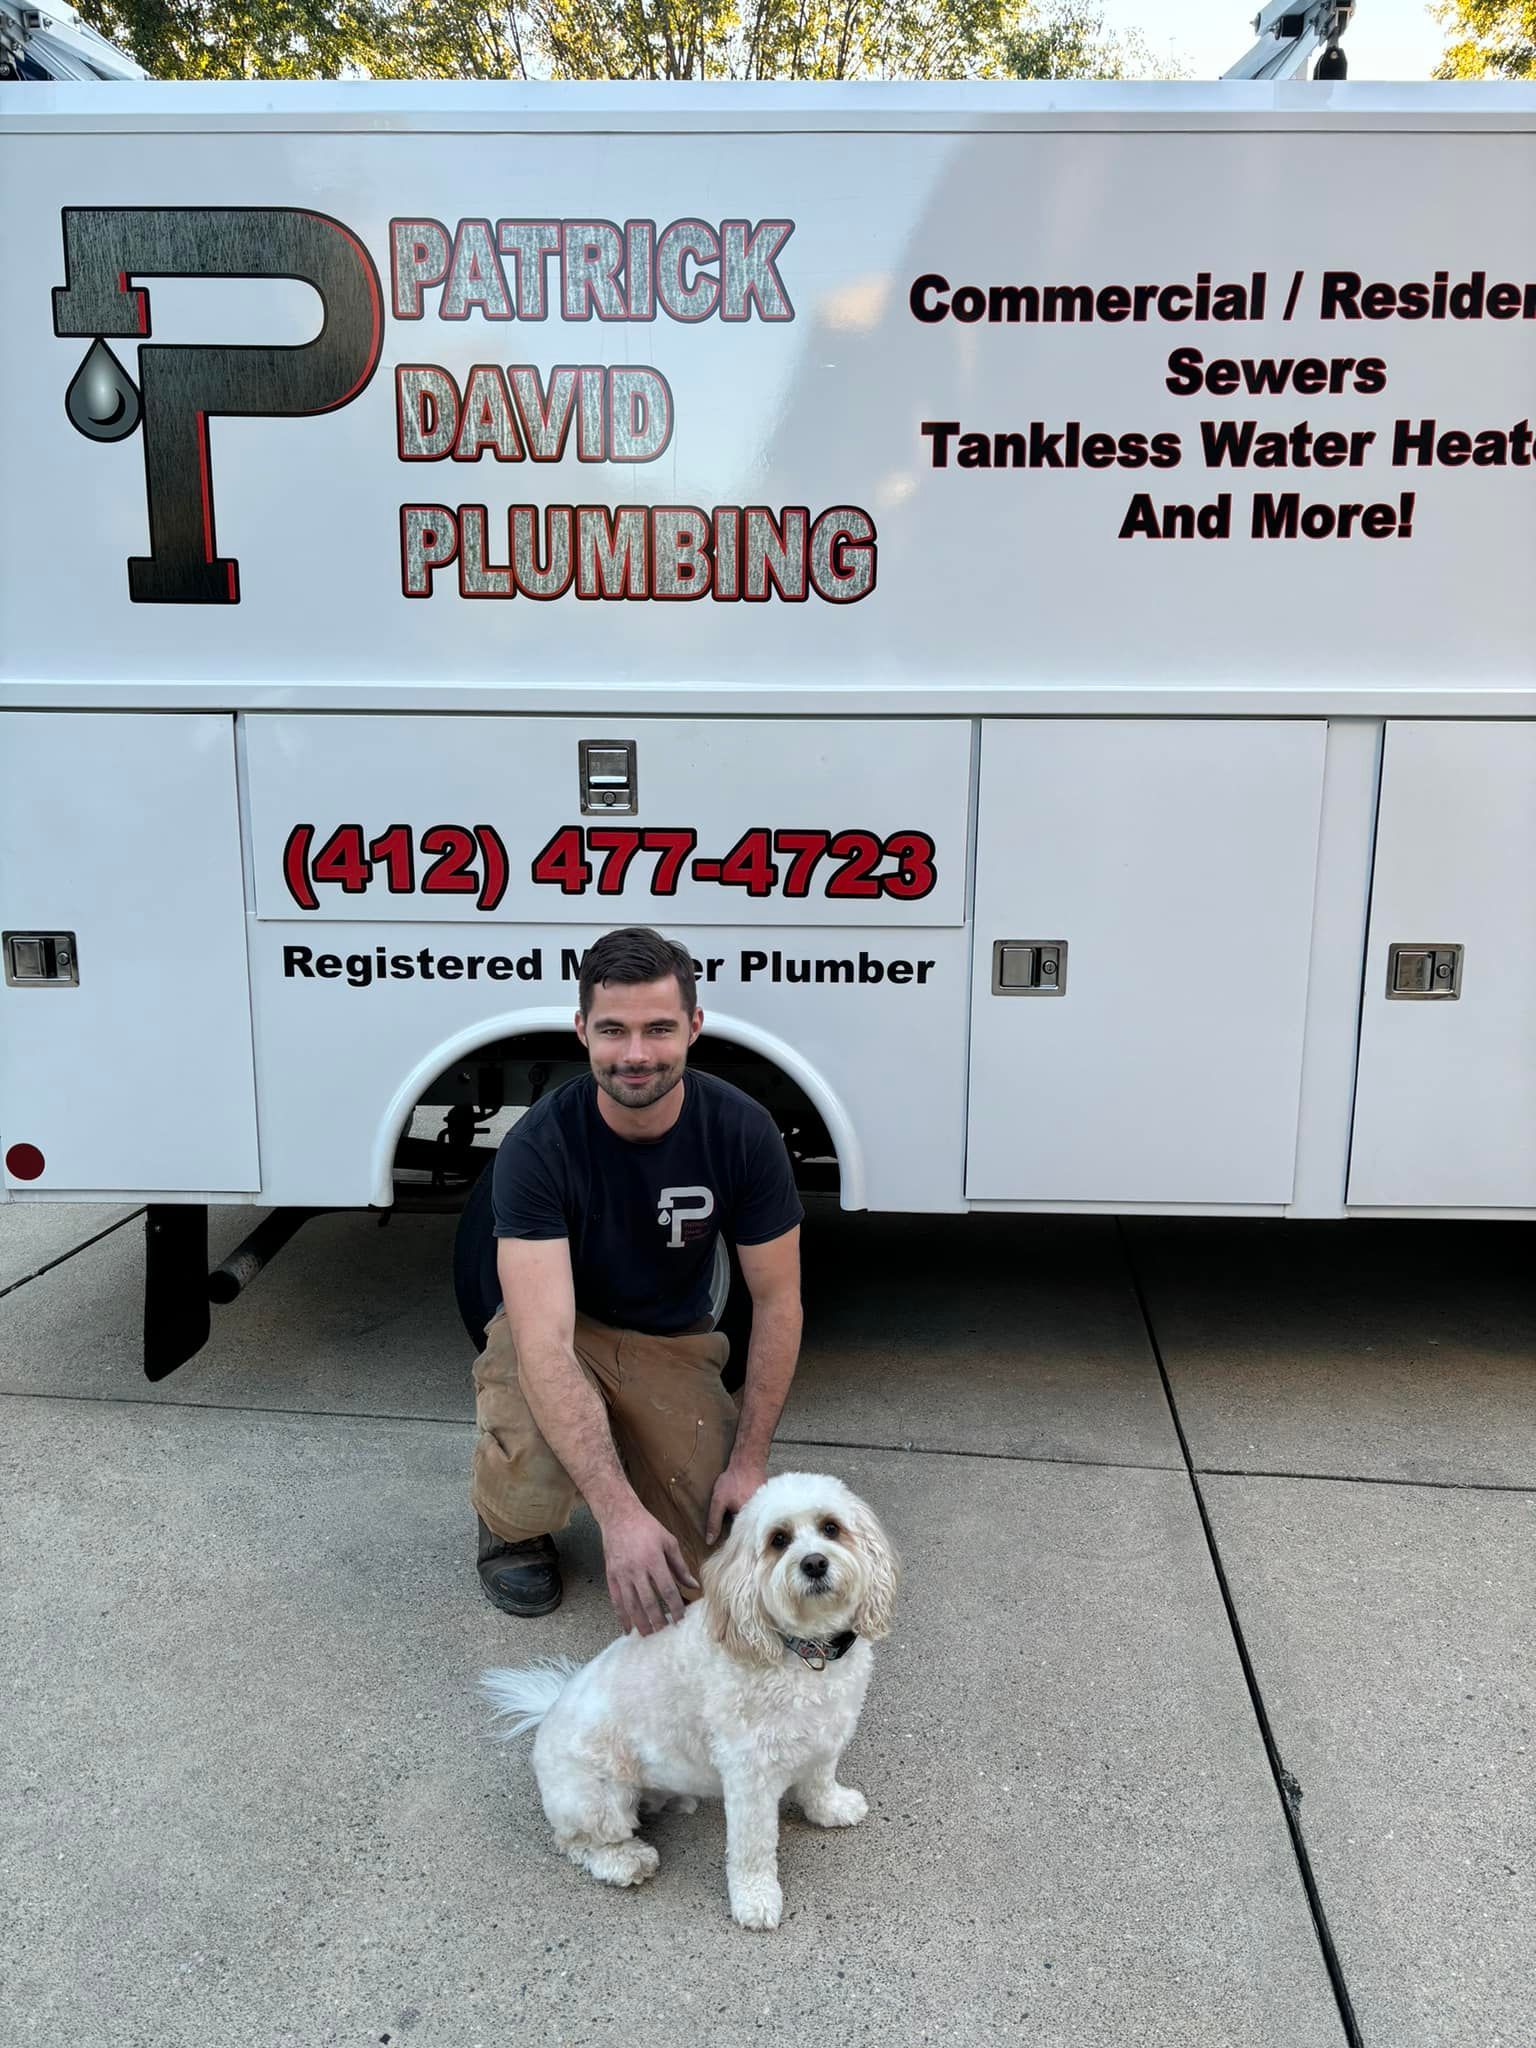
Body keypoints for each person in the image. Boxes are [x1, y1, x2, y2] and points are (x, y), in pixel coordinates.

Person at [469, 925, 805, 1636]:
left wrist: (748, 1462)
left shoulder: (743, 1131)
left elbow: (778, 1302)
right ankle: (510, 1525)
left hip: (673, 1342)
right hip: (564, 1331)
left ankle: (627, 1445)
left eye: (659, 1028)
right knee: (526, 1401)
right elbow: (545, 1342)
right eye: (613, 1030)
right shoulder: (537, 1146)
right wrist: (620, 1518)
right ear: (582, 1029)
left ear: (695, 1027)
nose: (636, 1055)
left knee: (713, 1561)